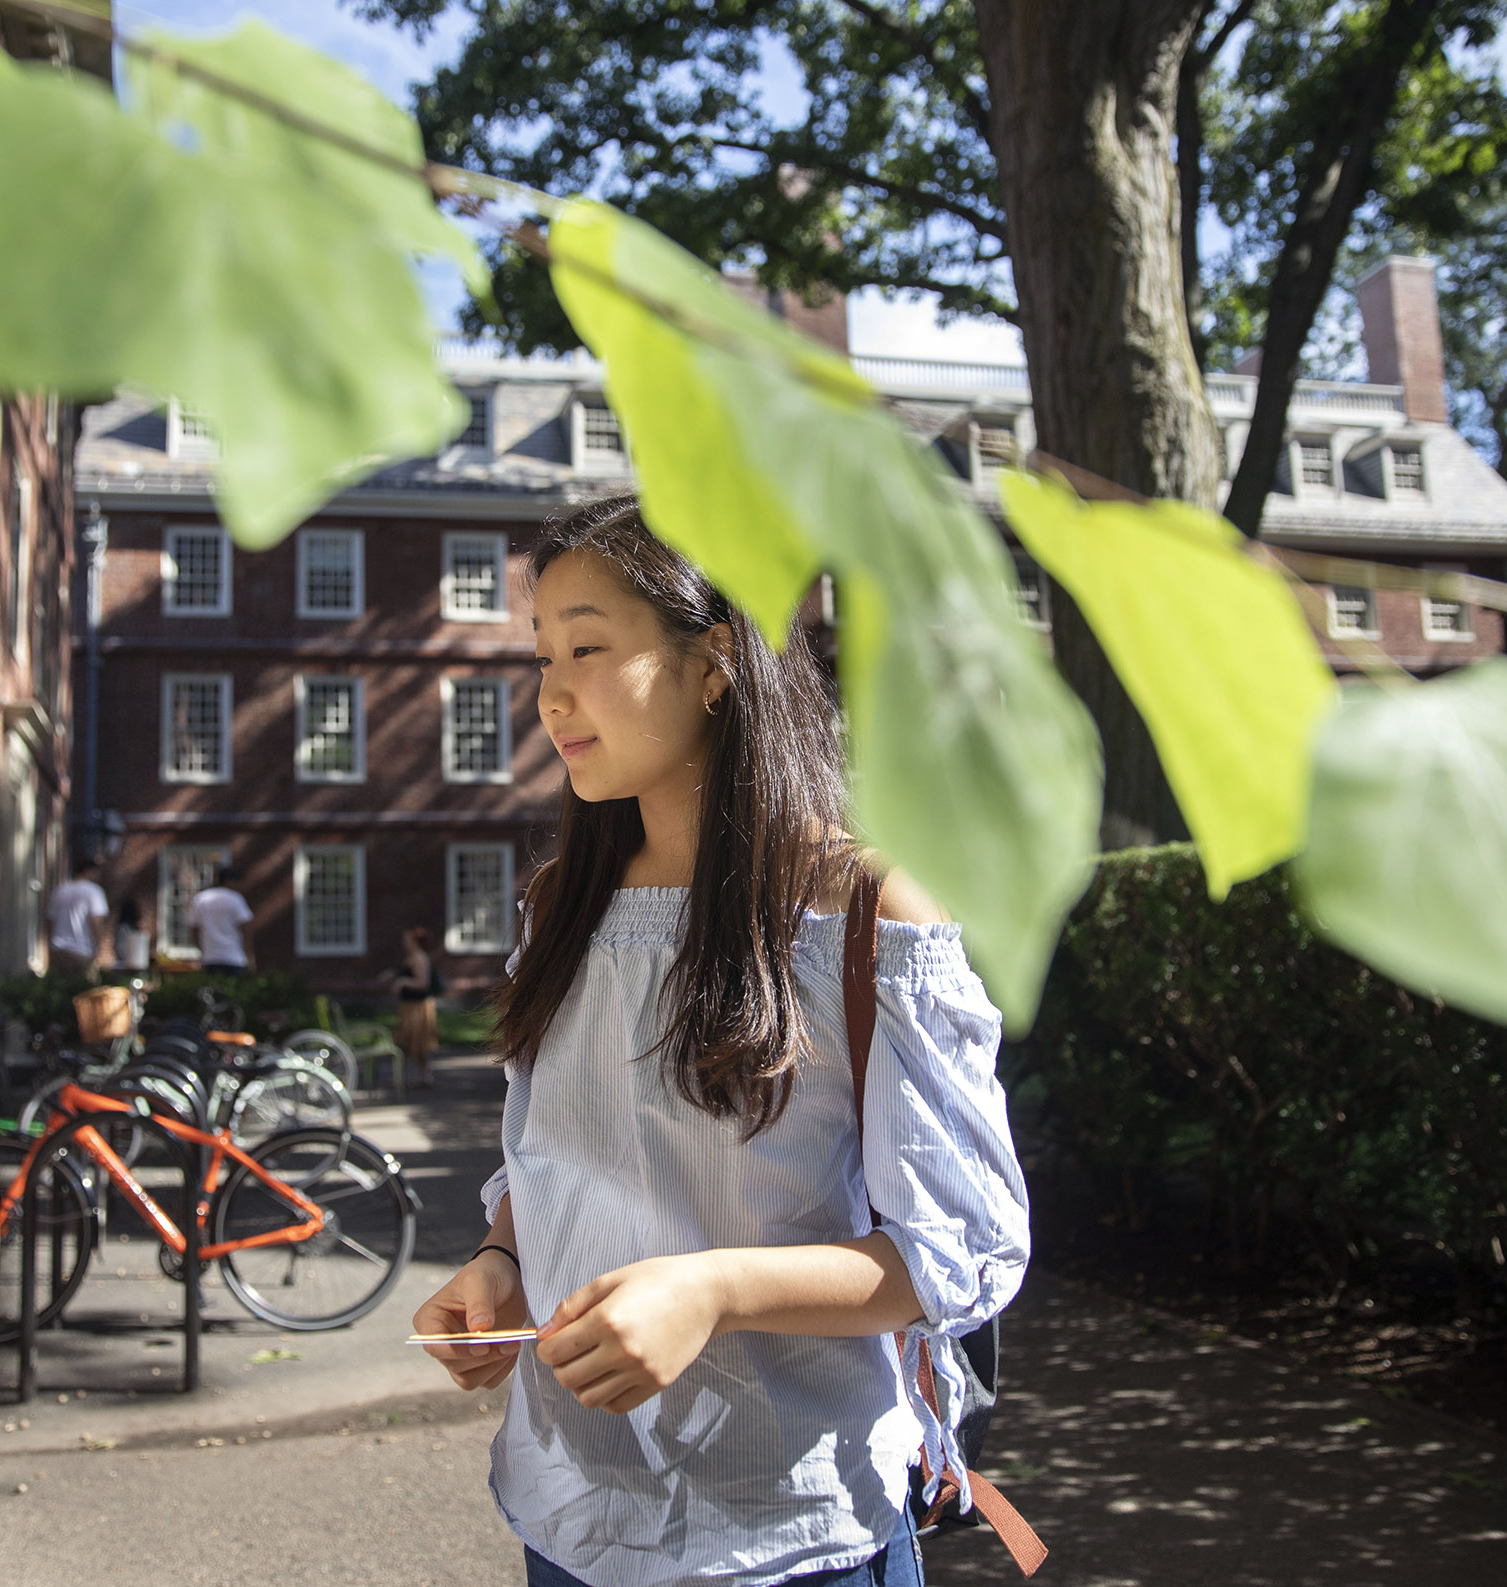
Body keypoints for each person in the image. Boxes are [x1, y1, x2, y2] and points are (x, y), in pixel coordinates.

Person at [411, 498, 1029, 1587]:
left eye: (589, 646)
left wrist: (714, 1289)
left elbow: (957, 1251)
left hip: (794, 1520)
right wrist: (500, 1263)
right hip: (571, 1514)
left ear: (714, 660)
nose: (551, 691)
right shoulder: (559, 902)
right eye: (542, 652)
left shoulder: (864, 911)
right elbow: (548, 1152)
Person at [387, 926, 442, 1089]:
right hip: (408, 1006)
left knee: (419, 1043)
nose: (404, 943)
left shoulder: (420, 958)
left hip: (419, 1007)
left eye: (407, 940)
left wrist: (402, 982)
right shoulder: (410, 958)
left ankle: (425, 1076)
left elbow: (422, 983)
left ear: (415, 941)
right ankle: (413, 1076)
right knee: (408, 1042)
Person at [45, 859, 108, 979]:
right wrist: (100, 949)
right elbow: (96, 921)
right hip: (81, 950)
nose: (99, 877)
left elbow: (49, 922)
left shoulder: (60, 890)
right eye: (97, 873)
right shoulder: (93, 891)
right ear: (88, 871)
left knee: (59, 989)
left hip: (57, 949)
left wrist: (50, 946)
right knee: (84, 993)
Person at [189, 862, 253, 978]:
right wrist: (250, 956)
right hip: (234, 958)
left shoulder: (200, 898)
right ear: (230, 881)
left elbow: (194, 929)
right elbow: (246, 929)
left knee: (211, 994)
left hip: (210, 958)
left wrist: (203, 951)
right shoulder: (235, 899)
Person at [112, 893, 152, 976]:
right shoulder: (124, 929)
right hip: (126, 967)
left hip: (137, 966)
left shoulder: (134, 928)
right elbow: (121, 950)